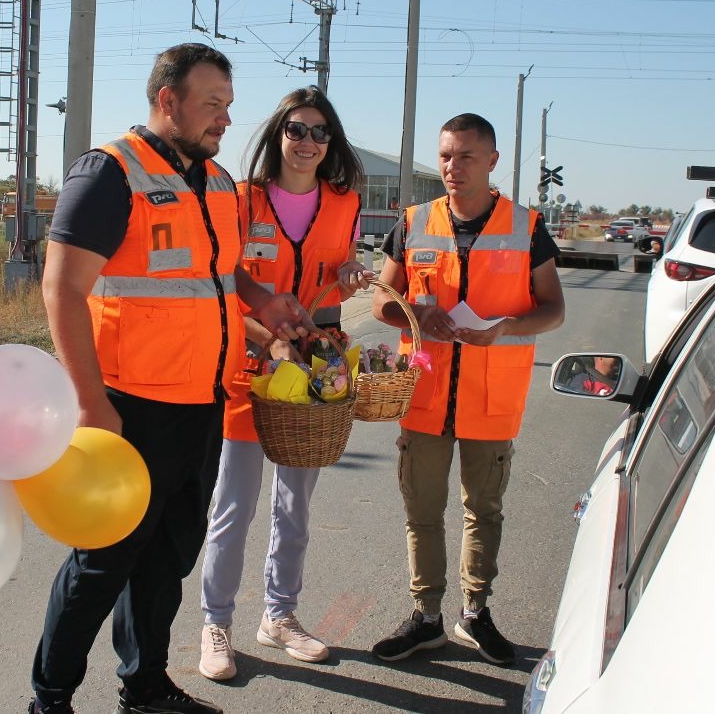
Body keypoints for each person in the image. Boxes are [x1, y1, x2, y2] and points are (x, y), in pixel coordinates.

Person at [30, 43, 313, 714]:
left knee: (166, 563)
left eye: (228, 106)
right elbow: (60, 290)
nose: (224, 119)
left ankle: (145, 685)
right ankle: (49, 700)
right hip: (127, 409)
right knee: (102, 566)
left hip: (202, 403)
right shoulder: (109, 173)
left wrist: (260, 301)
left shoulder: (216, 184)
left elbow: (213, 277)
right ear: (168, 101)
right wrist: (92, 404)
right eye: (212, 104)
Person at [369, 112, 566, 666]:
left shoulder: (527, 226)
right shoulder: (413, 222)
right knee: (422, 511)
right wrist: (416, 316)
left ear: (493, 161)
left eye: (466, 157)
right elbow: (383, 299)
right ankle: (426, 617)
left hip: (492, 398)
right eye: (447, 156)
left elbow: (553, 308)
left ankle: (476, 614)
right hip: (425, 395)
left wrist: (506, 327)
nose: (453, 168)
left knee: (484, 510)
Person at [197, 86, 373, 682]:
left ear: (332, 145)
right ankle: (215, 623)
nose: (308, 142)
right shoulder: (239, 201)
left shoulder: (344, 203)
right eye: (297, 129)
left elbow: (335, 278)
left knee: (295, 505)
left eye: (321, 133)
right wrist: (264, 340)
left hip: (316, 371)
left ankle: (280, 615)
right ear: (278, 134)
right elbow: (225, 283)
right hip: (250, 367)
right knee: (233, 506)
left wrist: (349, 275)